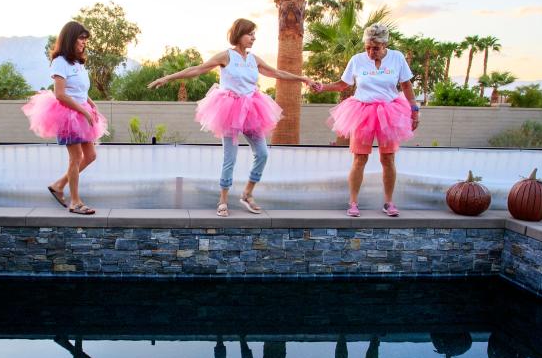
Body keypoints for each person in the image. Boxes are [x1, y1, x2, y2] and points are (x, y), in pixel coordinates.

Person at [149, 18, 316, 216]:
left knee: (262, 153)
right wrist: (168, 78)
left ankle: (247, 193)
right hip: (230, 110)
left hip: (252, 109)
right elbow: (197, 69)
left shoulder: (254, 59)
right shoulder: (226, 56)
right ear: (239, 34)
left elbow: (276, 72)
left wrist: (302, 78)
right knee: (230, 157)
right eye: (250, 34)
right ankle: (223, 200)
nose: (253, 38)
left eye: (254, 34)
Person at [314, 23, 419, 217]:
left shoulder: (397, 58)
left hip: (390, 112)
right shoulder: (357, 60)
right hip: (363, 112)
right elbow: (343, 84)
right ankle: (353, 203)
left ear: (385, 44)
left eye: (376, 48)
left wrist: (414, 110)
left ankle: (388, 202)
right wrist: (323, 87)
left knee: (388, 158)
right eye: (368, 47)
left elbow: (406, 85)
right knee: (359, 158)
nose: (371, 52)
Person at [22, 21, 107, 215]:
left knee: (91, 156)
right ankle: (75, 202)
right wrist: (84, 111)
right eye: (81, 38)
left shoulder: (77, 63)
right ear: (70, 38)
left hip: (81, 110)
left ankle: (59, 185)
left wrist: (91, 105)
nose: (84, 43)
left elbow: (79, 90)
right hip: (68, 114)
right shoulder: (60, 61)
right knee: (76, 158)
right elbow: (60, 94)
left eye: (85, 39)